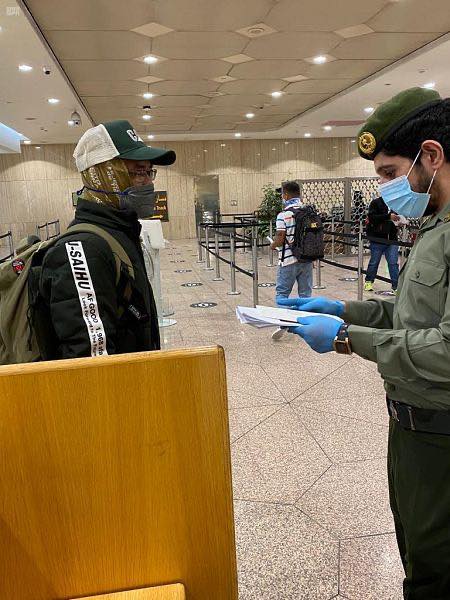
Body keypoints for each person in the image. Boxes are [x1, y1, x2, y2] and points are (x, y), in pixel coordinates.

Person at [279, 87, 450, 598]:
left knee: (436, 571)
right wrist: (344, 308)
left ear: (433, 156)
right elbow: (411, 312)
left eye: (391, 174)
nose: (386, 190)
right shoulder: (436, 226)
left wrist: (348, 339)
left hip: (442, 436)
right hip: (411, 427)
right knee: (418, 551)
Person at [36, 119, 176, 359]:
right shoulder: (84, 248)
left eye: (149, 171)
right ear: (104, 173)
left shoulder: (120, 232)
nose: (149, 182)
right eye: (138, 171)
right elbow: (91, 358)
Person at [270, 180, 313, 340]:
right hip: (307, 259)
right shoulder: (308, 212)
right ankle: (305, 323)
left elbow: (280, 238)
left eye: (282, 194)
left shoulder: (284, 215)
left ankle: (283, 323)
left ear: (286, 195)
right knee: (305, 294)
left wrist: (273, 245)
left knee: (282, 293)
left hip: (288, 261)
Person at [364, 195, 400, 292]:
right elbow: (372, 217)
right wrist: (388, 216)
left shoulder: (396, 203)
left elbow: (399, 216)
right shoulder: (376, 202)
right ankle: (369, 281)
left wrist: (399, 220)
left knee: (393, 263)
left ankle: (396, 286)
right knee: (374, 262)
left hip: (392, 239)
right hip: (378, 238)